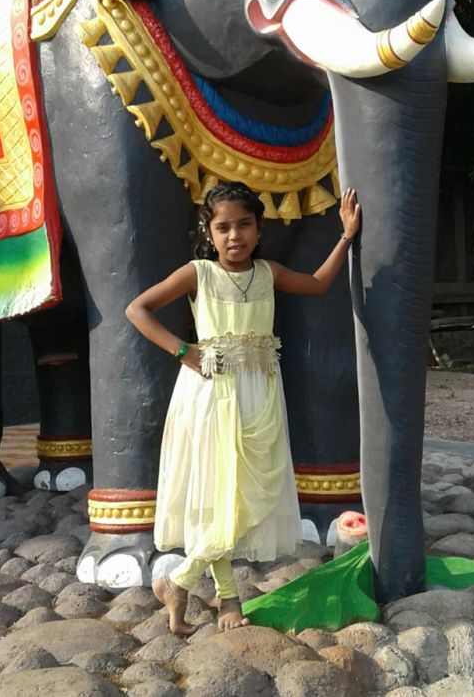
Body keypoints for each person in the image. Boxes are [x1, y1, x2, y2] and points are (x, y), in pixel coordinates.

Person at [125, 182, 361, 634]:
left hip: (259, 395)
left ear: (258, 228)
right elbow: (138, 309)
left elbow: (317, 284)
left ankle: (185, 587)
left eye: (244, 225)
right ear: (209, 232)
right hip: (212, 395)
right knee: (222, 495)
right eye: (223, 227)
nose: (234, 235)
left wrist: (347, 236)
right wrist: (183, 351)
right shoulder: (198, 273)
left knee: (249, 493)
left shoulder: (269, 273)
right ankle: (213, 593)